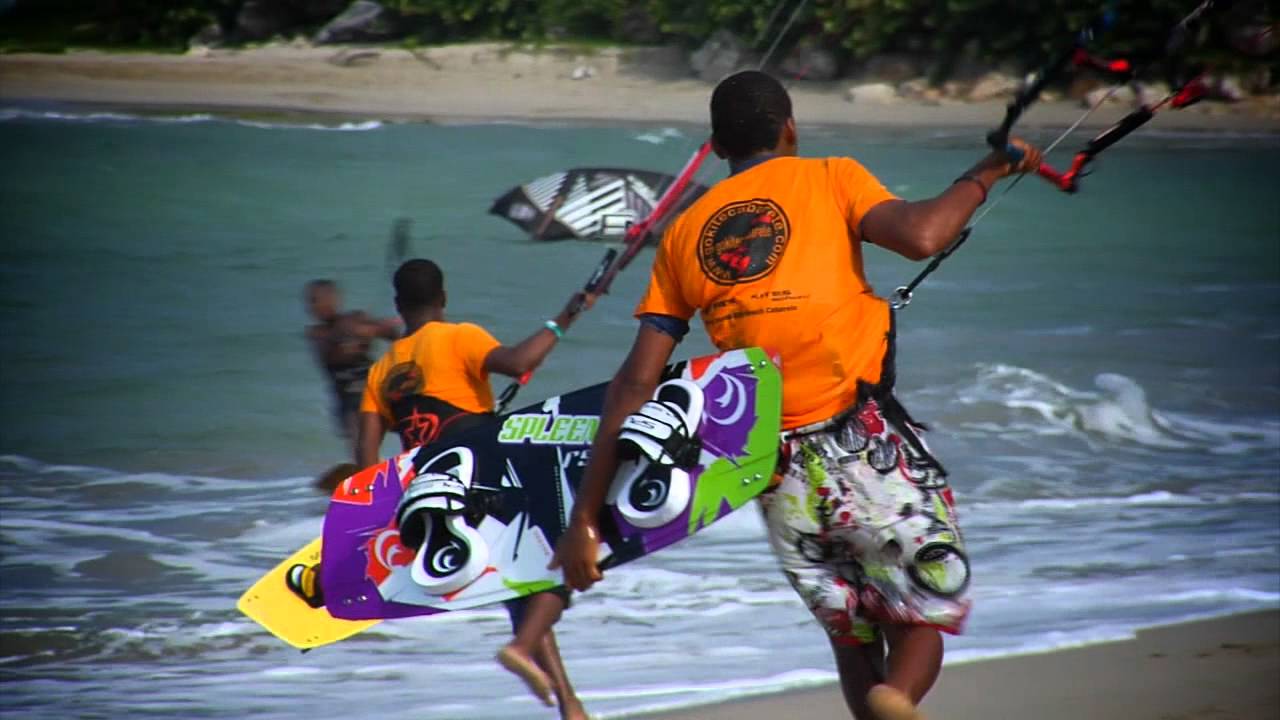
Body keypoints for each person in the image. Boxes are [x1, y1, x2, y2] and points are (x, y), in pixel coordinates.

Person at [549, 70, 1044, 720]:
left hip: (772, 468)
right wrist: (987, 171)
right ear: (790, 129)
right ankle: (898, 696)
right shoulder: (832, 176)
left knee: (852, 635)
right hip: (863, 443)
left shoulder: (684, 232)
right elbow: (923, 235)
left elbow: (635, 382)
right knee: (921, 608)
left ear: (717, 147)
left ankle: (877, 700)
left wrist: (584, 519)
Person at [293, 259, 595, 720]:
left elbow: (366, 458)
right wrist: (565, 317)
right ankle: (523, 650)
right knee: (554, 560)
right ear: (444, 298)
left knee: (517, 584)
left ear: (399, 305)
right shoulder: (459, 336)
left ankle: (569, 705)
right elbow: (521, 363)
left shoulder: (381, 371)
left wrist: (375, 529)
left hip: (430, 498)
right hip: (486, 476)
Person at [304, 279, 400, 444]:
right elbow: (332, 356)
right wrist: (355, 337)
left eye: (319, 300)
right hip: (349, 401)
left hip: (376, 390)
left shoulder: (355, 318)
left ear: (334, 299)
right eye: (311, 302)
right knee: (360, 440)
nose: (315, 306)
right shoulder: (317, 333)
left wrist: (377, 329)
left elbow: (393, 335)